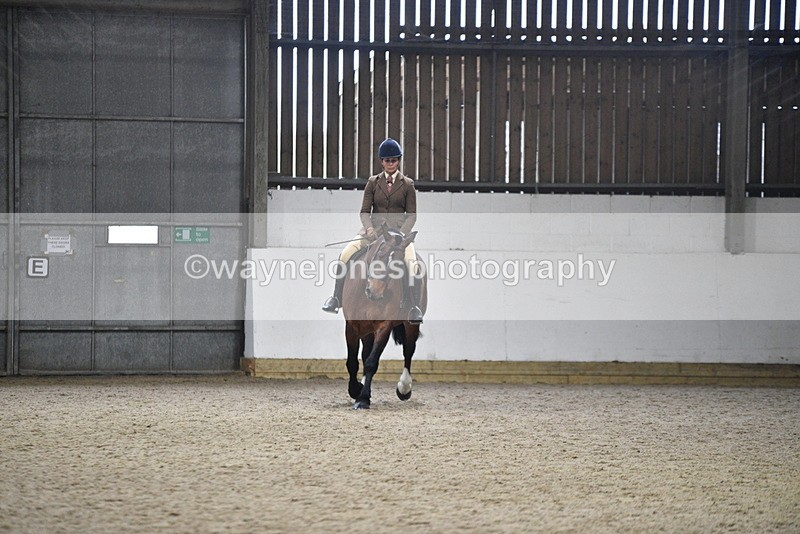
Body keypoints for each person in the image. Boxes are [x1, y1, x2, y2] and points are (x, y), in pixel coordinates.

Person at [322, 138, 424, 324]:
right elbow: (364, 211)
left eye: (394, 160)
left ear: (398, 161)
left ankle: (414, 307)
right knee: (345, 254)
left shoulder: (408, 184)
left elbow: (412, 215)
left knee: (413, 264)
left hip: (398, 237)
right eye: (387, 160)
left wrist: (401, 234)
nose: (390, 163)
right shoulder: (372, 182)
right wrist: (369, 228)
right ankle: (335, 298)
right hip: (373, 233)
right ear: (381, 162)